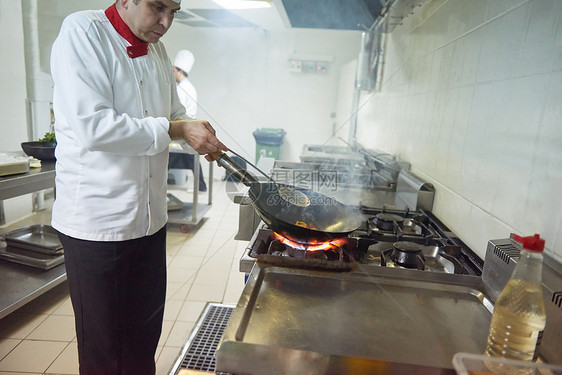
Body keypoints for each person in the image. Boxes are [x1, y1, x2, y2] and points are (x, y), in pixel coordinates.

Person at [49, 0, 227, 374]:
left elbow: (173, 112)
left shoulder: (158, 50)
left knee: (142, 343)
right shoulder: (83, 32)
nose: (166, 22)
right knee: (106, 352)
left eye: (174, 11)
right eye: (157, 7)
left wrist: (192, 128)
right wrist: (176, 129)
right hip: (98, 225)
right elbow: (95, 127)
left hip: (149, 222)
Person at [169, 49, 207, 191]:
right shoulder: (189, 87)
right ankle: (201, 186)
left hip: (184, 126)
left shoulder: (182, 89)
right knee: (190, 159)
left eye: (173, 71)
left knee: (187, 159)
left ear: (178, 70)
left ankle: (201, 186)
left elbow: (176, 111)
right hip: (188, 125)